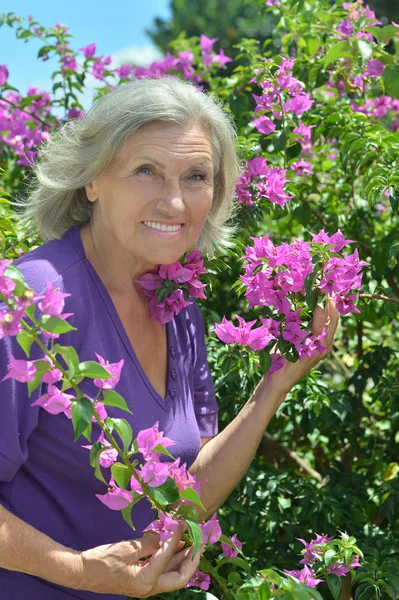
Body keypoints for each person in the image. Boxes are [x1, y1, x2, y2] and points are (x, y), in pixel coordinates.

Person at [0, 77, 339, 599]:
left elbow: (185, 494)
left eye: (196, 176)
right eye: (146, 171)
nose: (175, 203)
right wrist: (81, 571)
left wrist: (275, 383)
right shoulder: (28, 303)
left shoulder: (174, 300)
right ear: (92, 180)